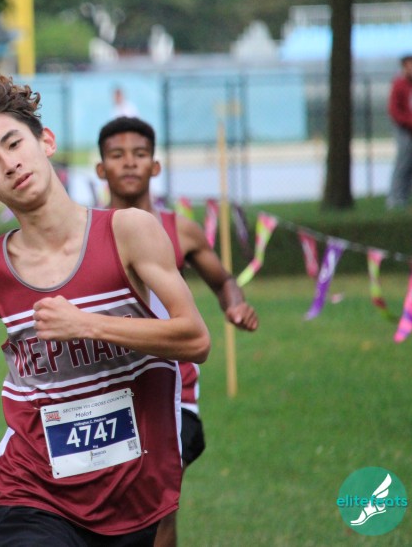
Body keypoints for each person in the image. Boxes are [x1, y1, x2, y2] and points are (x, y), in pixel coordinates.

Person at [0, 74, 210, 546]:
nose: (10, 164)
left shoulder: (129, 232)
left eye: (14, 143)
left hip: (135, 485)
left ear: (46, 142)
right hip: (32, 486)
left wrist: (86, 325)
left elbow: (194, 338)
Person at [96, 116, 258, 547]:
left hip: (173, 395)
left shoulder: (180, 231)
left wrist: (234, 304)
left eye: (140, 154)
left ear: (155, 166)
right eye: (117, 155)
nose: (129, 163)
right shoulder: (85, 232)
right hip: (103, 389)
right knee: (108, 512)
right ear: (101, 168)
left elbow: (223, 280)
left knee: (159, 511)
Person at [386, 53, 412, 210]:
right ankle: (394, 198)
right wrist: (410, 121)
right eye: (409, 65)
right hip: (405, 129)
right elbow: (394, 110)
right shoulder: (399, 84)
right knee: (403, 163)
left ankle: (405, 197)